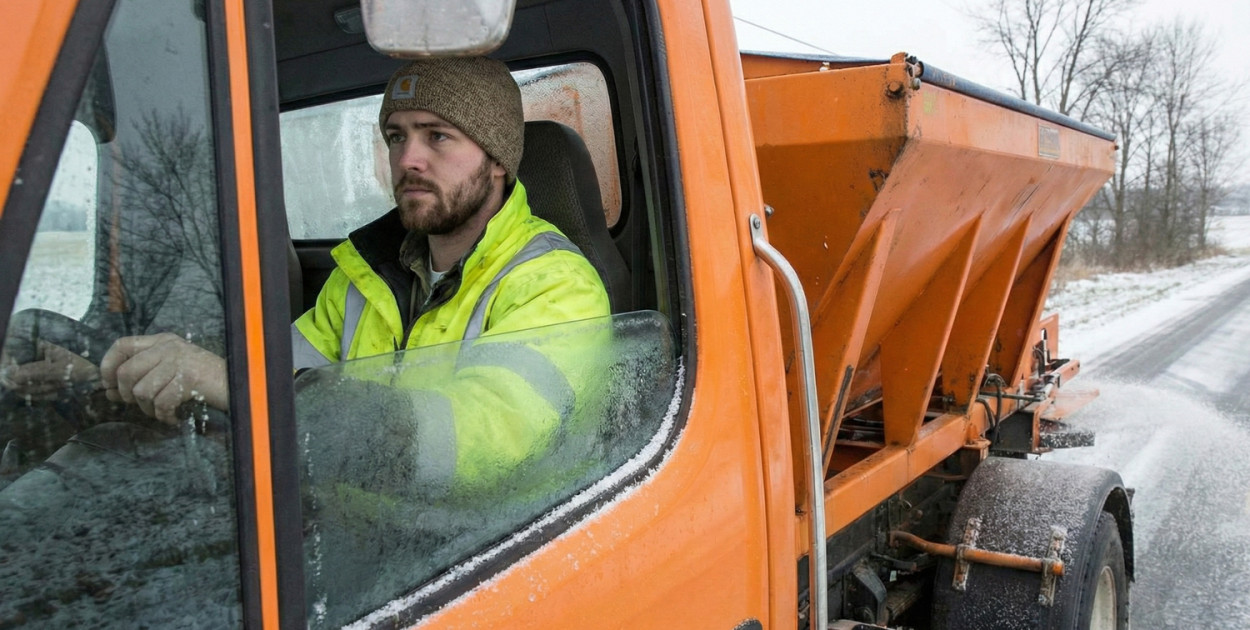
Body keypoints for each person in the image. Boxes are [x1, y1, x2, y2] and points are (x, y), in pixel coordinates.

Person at [33, 56, 609, 429]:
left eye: (438, 136)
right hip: (340, 529)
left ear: (498, 161)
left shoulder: (555, 284)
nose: (407, 158)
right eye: (395, 136)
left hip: (478, 560)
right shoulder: (364, 274)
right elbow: (275, 383)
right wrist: (104, 379)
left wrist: (239, 388)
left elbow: (470, 442)